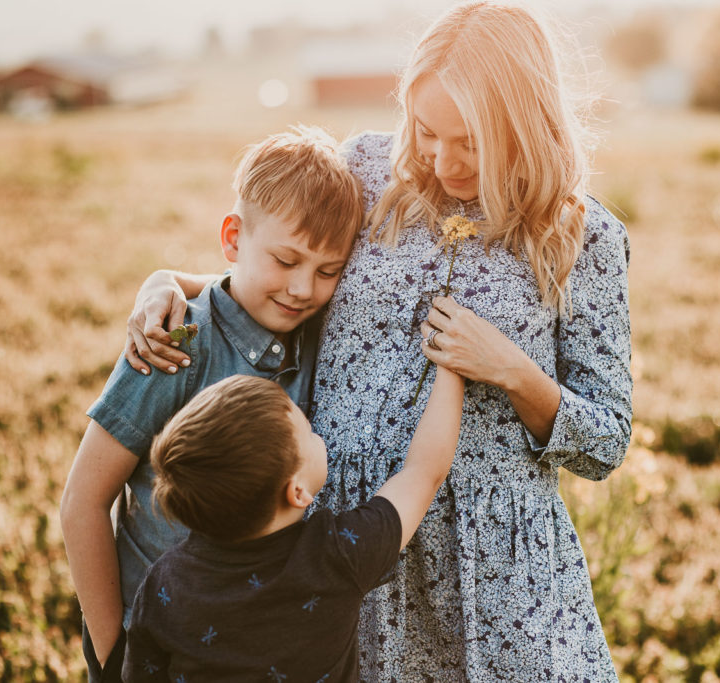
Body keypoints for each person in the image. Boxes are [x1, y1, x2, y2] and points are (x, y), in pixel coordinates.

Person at [124, 2, 632, 680]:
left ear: (525, 120)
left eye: (471, 141)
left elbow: (606, 440)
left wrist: (513, 370)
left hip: (497, 567)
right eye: (426, 130)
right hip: (349, 543)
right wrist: (170, 281)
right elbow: (281, 272)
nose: (442, 159)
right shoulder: (367, 170)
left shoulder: (583, 236)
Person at [59, 126, 365, 683]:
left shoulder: (321, 335)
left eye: (327, 271)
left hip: (263, 655)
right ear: (233, 238)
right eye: (286, 260)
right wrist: (110, 658)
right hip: (158, 650)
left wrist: (168, 277)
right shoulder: (175, 343)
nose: (302, 288)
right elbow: (84, 499)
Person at [123, 366, 463, 681]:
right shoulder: (336, 553)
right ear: (297, 491)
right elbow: (423, 473)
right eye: (309, 431)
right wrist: (451, 369)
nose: (318, 436)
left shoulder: (162, 583)